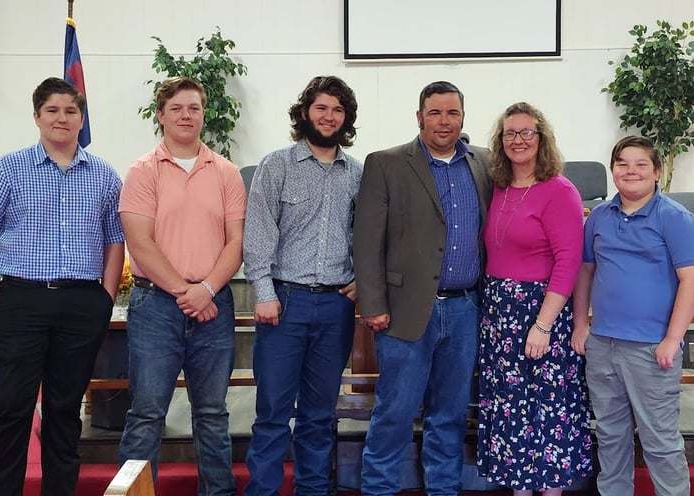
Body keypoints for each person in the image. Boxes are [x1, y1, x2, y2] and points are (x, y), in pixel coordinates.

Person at [0, 77, 124, 496]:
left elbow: (115, 240)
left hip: (82, 304)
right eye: (53, 110)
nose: (62, 118)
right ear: (36, 117)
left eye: (71, 110)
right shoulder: (7, 169)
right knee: (12, 409)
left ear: (82, 118)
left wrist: (106, 298)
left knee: (64, 411)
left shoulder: (103, 174)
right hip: (20, 299)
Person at [354, 81, 491, 495]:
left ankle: (443, 490)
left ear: (463, 117)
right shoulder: (386, 163)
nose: (444, 121)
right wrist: (373, 303)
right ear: (419, 117)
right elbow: (366, 240)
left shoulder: (485, 163)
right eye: (435, 113)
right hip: (405, 310)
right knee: (394, 412)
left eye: (452, 113)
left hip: (466, 308)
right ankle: (378, 489)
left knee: (448, 414)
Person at [117, 76, 246, 496]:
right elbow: (140, 242)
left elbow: (237, 242)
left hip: (214, 304)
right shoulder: (142, 171)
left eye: (193, 108)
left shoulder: (226, 171)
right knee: (147, 413)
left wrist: (206, 289)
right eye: (176, 108)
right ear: (161, 115)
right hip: (156, 306)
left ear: (203, 113)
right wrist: (187, 292)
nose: (186, 115)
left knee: (211, 413)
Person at [242, 75, 362, 496]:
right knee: (273, 412)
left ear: (345, 119)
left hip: (336, 308)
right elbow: (257, 231)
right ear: (305, 113)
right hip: (285, 302)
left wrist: (361, 279)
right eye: (321, 108)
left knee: (318, 414)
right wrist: (264, 292)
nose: (328, 117)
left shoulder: (357, 173)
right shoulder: (277, 166)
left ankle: (313, 490)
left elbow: (366, 235)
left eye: (337, 110)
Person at [476, 102, 592, 495]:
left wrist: (542, 325)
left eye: (527, 132)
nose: (518, 140)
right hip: (499, 314)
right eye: (510, 133)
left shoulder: (559, 190)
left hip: (540, 314)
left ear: (542, 139)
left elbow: (568, 262)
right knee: (512, 412)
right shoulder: (499, 186)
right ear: (500, 140)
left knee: (546, 412)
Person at [572, 136, 694, 496]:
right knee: (610, 439)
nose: (631, 171)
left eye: (641, 164)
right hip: (603, 345)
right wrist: (581, 325)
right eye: (622, 163)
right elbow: (584, 272)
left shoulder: (675, 218)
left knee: (659, 442)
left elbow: (690, 279)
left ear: (657, 172)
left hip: (652, 349)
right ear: (613, 171)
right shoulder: (598, 219)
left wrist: (674, 338)